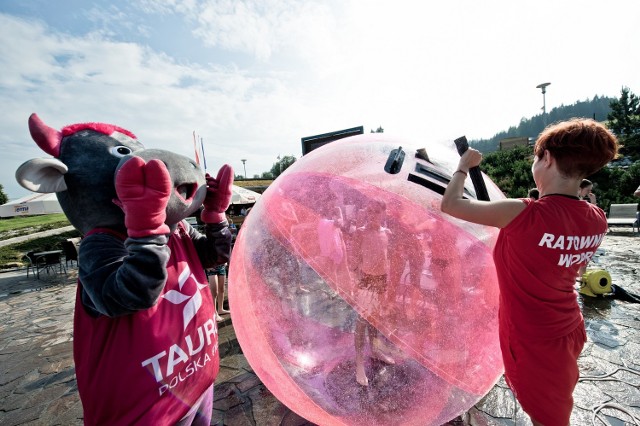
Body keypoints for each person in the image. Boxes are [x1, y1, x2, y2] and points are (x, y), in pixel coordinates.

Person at [441, 118, 618, 426]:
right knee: (549, 403)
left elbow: (451, 203)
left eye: (537, 157)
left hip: (533, 339)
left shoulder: (522, 213)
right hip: (568, 329)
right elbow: (568, 259)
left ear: (547, 158)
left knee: (549, 419)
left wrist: (464, 165)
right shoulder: (597, 219)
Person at [351, 199, 395, 386]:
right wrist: (355, 281)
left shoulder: (387, 233)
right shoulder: (360, 233)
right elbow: (353, 259)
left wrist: (390, 284)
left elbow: (388, 259)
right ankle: (359, 363)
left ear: (384, 213)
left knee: (375, 318)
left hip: (381, 280)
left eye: (376, 212)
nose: (372, 215)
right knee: (362, 321)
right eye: (369, 211)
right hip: (366, 280)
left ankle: (375, 350)